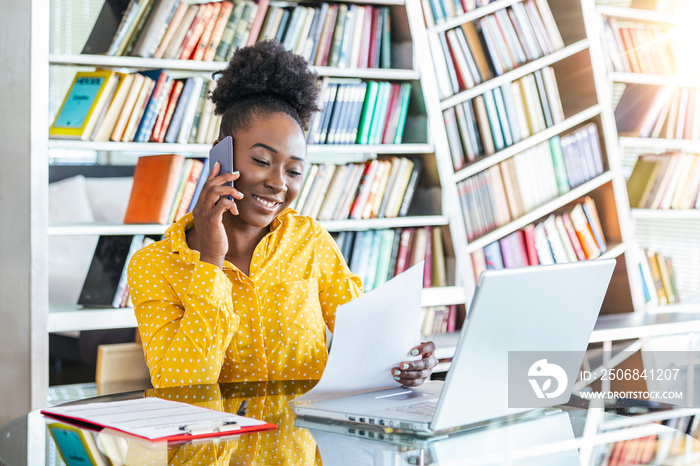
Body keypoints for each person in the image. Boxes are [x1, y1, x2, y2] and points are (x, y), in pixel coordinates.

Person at [127, 40, 437, 389]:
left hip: (304, 442)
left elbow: (369, 341)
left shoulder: (310, 242)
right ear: (220, 157)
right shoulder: (154, 265)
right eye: (262, 161)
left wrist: (408, 361)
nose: (278, 183)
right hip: (214, 445)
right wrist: (211, 261)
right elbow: (181, 387)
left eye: (294, 171)